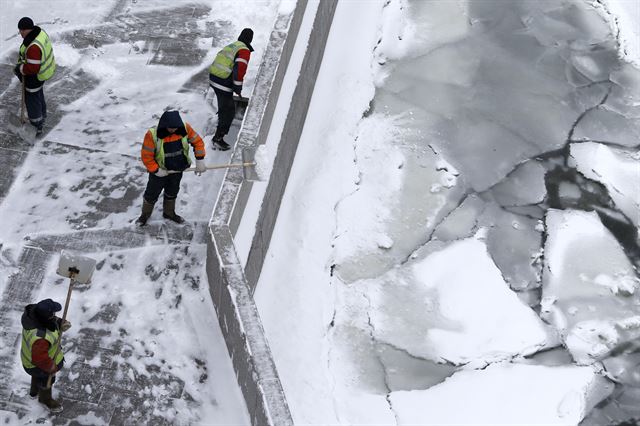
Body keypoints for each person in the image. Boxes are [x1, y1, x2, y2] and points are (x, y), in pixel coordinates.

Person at [136, 110, 207, 226]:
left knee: (172, 192)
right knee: (151, 194)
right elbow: (146, 156)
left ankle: (169, 213)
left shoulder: (184, 128)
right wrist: (156, 170)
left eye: (174, 128)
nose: (173, 130)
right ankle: (144, 215)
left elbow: (198, 142)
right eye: (170, 128)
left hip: (177, 170)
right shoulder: (152, 134)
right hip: (160, 172)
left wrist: (200, 160)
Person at [208, 28, 254, 151]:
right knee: (228, 111)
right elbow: (239, 71)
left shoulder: (233, 45)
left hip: (214, 78)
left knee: (225, 108)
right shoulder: (244, 50)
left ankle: (218, 135)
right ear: (250, 40)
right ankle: (218, 139)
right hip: (222, 82)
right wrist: (238, 88)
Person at [21, 298, 70, 412]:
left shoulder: (32, 317)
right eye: (52, 314)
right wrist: (51, 368)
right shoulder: (40, 338)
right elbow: (41, 359)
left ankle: (34, 392)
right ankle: (45, 400)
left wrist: (59, 322)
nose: (54, 316)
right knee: (46, 380)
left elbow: (49, 320)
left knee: (37, 376)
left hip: (30, 361)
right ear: (47, 317)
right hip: (38, 364)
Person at [13, 17, 56, 137]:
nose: (21, 33)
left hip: (35, 76)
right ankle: (42, 116)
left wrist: (20, 69)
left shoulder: (33, 47)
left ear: (29, 29)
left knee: (32, 99)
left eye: (23, 30)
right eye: (20, 30)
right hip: (43, 72)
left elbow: (33, 68)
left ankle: (37, 126)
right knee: (38, 95)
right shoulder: (40, 33)